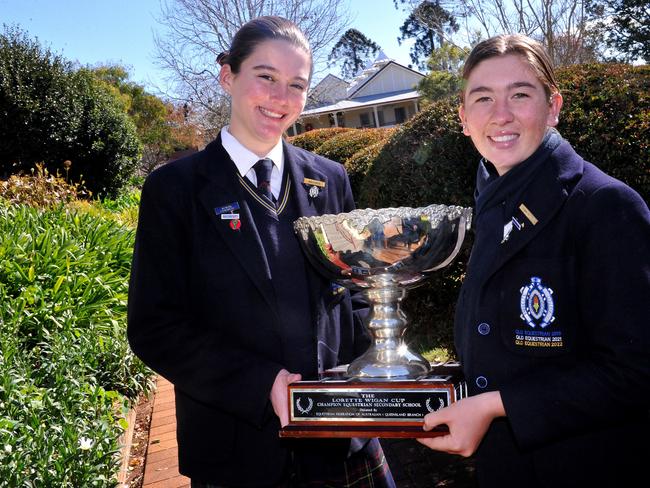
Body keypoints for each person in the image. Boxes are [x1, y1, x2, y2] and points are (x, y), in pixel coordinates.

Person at [127, 16, 395, 488]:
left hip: (338, 437)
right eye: (265, 77)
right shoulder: (175, 189)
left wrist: (378, 363)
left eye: (296, 84)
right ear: (228, 75)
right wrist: (259, 384)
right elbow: (155, 327)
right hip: (235, 449)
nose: (281, 98)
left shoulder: (331, 180)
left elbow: (355, 291)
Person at [418, 34, 650, 487]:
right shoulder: (495, 198)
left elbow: (636, 372)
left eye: (520, 95)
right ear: (464, 118)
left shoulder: (604, 206)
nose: (501, 115)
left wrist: (493, 405)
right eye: (483, 98)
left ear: (553, 106)